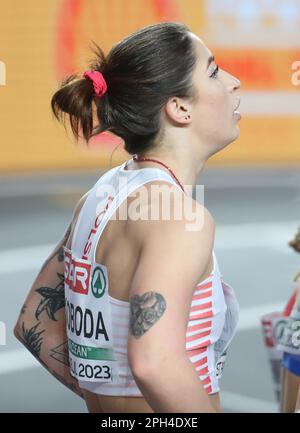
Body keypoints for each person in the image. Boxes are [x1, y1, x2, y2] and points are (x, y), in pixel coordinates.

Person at [14, 21, 241, 413]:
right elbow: (154, 363)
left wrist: (111, 402)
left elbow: (35, 325)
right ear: (179, 107)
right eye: (214, 71)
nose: (233, 82)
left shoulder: (97, 197)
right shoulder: (179, 217)